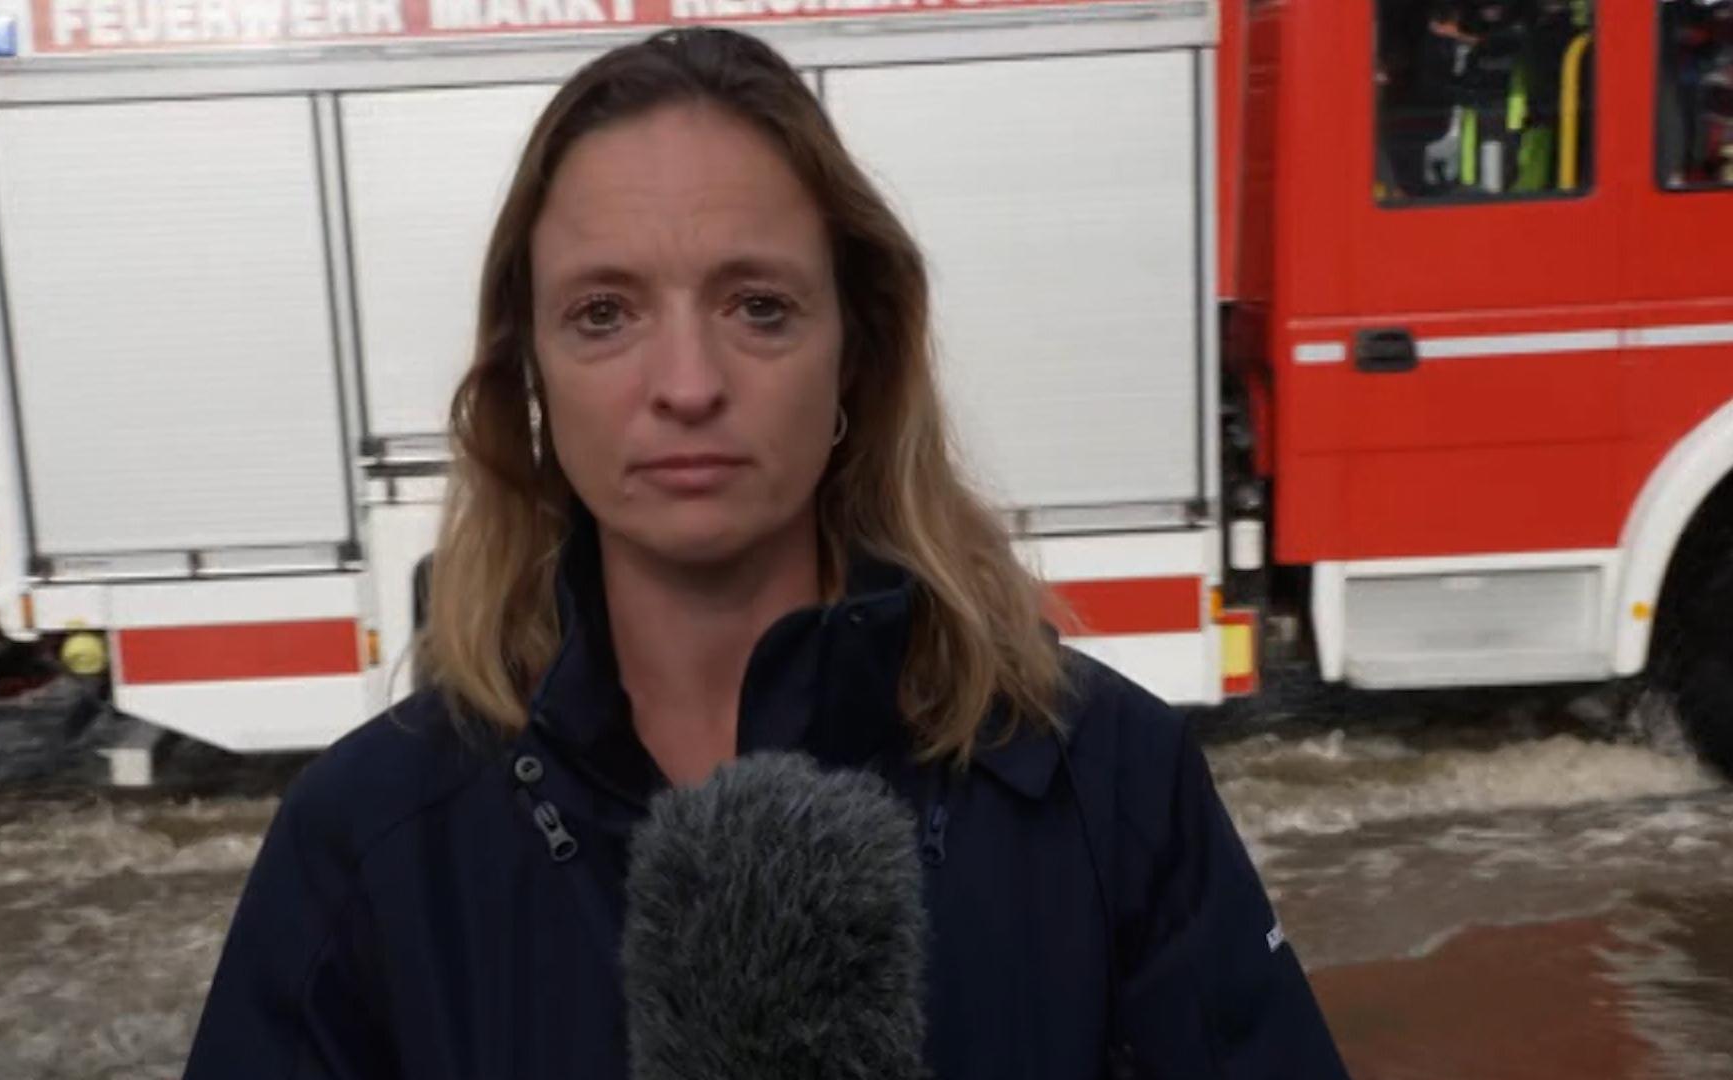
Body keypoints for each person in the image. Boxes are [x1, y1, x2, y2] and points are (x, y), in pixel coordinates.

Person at [183, 28, 1351, 1079]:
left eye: (759, 306)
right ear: (528, 375)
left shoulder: (1107, 782)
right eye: (603, 313)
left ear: (858, 349)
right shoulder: (368, 841)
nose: (686, 386)